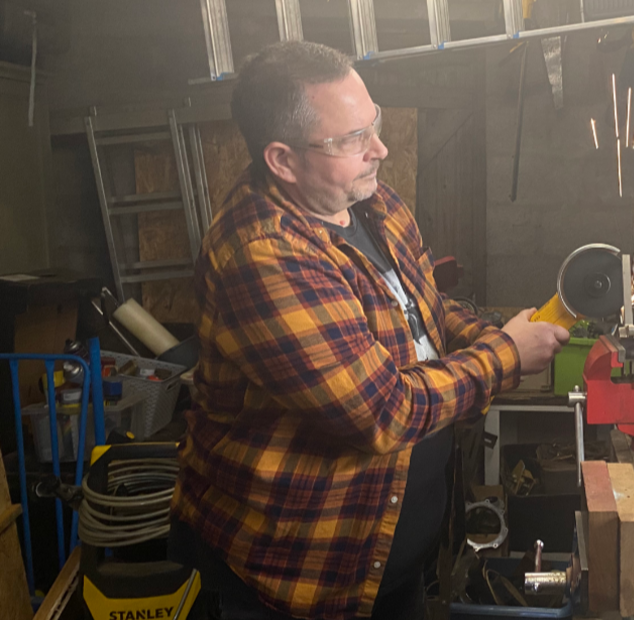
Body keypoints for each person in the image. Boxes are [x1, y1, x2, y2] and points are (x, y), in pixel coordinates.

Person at [168, 41, 569, 620]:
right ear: (282, 159)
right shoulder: (264, 257)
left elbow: (423, 310)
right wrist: (504, 356)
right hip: (299, 579)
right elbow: (383, 410)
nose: (379, 148)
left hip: (390, 558)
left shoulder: (371, 202)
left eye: (373, 124)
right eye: (353, 139)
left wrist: (496, 331)